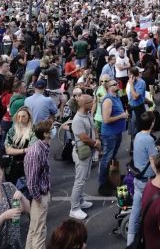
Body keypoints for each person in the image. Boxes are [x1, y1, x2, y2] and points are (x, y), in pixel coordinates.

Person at [127, 111, 157, 245]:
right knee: (152, 210)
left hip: (138, 177)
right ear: (152, 123)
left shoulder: (138, 135)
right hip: (147, 179)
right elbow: (153, 161)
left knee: (136, 211)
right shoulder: (149, 139)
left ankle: (130, 242)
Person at [24, 120, 53, 249]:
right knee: (39, 232)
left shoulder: (42, 147)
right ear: (45, 134)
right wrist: (39, 199)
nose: (53, 131)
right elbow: (31, 182)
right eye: (51, 129)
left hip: (42, 193)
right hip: (39, 196)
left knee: (34, 229)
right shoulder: (36, 152)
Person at [70, 92, 98, 221]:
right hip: (82, 151)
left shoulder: (87, 115)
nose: (93, 103)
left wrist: (97, 139)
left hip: (89, 151)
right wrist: (96, 144)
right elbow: (84, 138)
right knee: (79, 180)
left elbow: (93, 128)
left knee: (84, 177)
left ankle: (80, 201)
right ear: (85, 104)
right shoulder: (77, 120)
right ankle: (74, 208)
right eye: (91, 101)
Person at [98, 77, 128, 195]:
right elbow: (106, 119)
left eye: (117, 83)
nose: (117, 85)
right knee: (106, 158)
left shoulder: (117, 97)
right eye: (114, 84)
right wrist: (121, 116)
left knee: (111, 158)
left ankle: (111, 179)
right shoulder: (108, 100)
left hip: (117, 133)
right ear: (108, 88)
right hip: (110, 135)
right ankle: (103, 184)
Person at [4, 106, 34, 185]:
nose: (21, 119)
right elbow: (8, 150)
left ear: (29, 118)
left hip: (28, 166)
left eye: (23, 116)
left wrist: (14, 151)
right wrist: (24, 150)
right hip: (12, 166)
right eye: (19, 116)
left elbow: (31, 150)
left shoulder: (33, 131)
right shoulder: (12, 130)